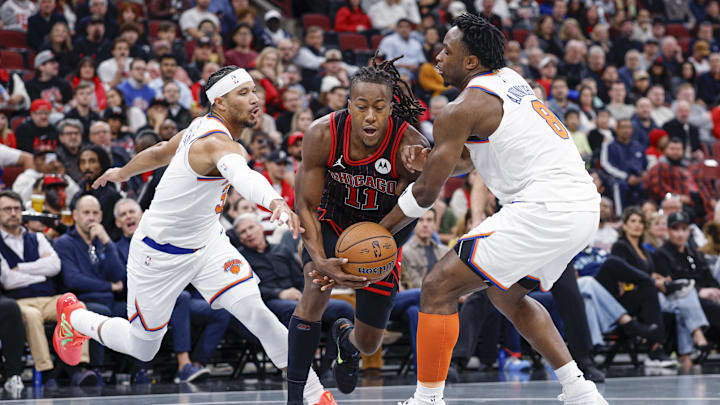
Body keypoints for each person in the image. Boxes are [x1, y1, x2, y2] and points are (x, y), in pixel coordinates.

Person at [53, 66, 336, 405]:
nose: (255, 98)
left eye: (253, 90)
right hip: (159, 255)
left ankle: (315, 394)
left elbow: (161, 151)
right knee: (143, 347)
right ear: (219, 101)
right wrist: (274, 199)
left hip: (208, 245)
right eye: (243, 93)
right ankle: (75, 318)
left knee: (258, 314)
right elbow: (243, 176)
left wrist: (122, 171)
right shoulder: (215, 144)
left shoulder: (199, 126)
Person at [374, 14, 606, 404]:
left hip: (545, 206)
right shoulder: (511, 80)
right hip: (582, 207)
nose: (438, 56)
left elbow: (427, 194)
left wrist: (382, 229)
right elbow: (473, 156)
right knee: (506, 296)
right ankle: (580, 390)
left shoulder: (459, 108)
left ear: (470, 62)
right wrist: (435, 157)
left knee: (437, 286)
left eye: (447, 50)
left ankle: (427, 399)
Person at [288, 56, 428, 404]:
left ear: (391, 108)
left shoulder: (409, 143)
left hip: (383, 237)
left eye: (379, 107)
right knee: (314, 289)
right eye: (361, 106)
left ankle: (346, 341)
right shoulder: (323, 133)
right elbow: (304, 205)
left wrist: (417, 175)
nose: (369, 116)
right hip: (333, 223)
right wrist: (320, 260)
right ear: (348, 105)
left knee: (370, 342)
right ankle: (294, 398)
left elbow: (418, 203)